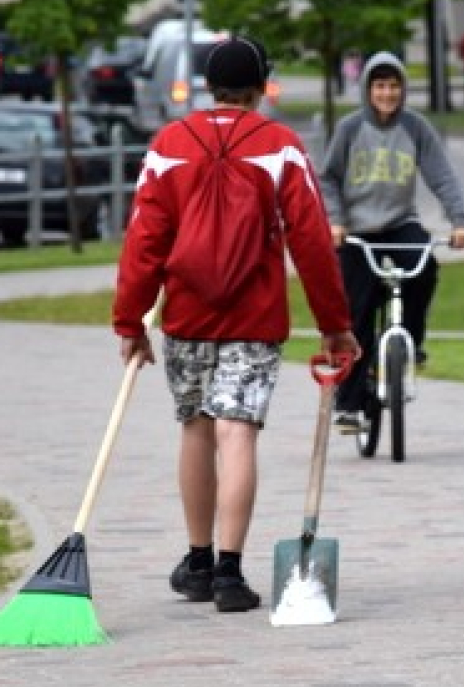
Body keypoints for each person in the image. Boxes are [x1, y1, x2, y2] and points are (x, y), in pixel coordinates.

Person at [112, 35, 360, 614]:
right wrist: (334, 323)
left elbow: (144, 240)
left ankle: (197, 560)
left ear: (207, 85)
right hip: (254, 315)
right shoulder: (280, 147)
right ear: (261, 85)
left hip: (188, 315)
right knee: (238, 430)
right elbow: (312, 244)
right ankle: (229, 571)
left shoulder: (171, 144)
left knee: (195, 427)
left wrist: (131, 321)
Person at [319, 51, 464, 434]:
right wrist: (335, 221)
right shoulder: (351, 128)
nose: (387, 93)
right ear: (368, 89)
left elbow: (441, 175)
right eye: (379, 85)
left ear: (402, 90)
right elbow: (328, 178)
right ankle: (350, 403)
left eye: (393, 86)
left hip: (399, 223)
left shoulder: (415, 127)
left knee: (425, 267)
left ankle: (412, 343)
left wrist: (460, 222)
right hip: (356, 231)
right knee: (357, 311)